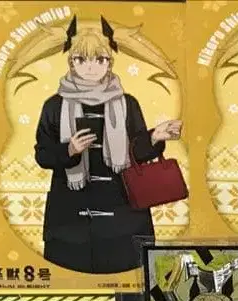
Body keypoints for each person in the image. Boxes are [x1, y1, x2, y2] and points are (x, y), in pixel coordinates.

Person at [33, 16, 182, 274]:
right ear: (71, 62)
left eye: (99, 59)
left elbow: (136, 153)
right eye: (82, 59)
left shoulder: (127, 103)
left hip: (123, 216)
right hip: (70, 220)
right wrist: (69, 150)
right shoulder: (54, 105)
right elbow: (42, 155)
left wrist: (154, 137)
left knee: (129, 279)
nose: (91, 67)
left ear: (109, 62)